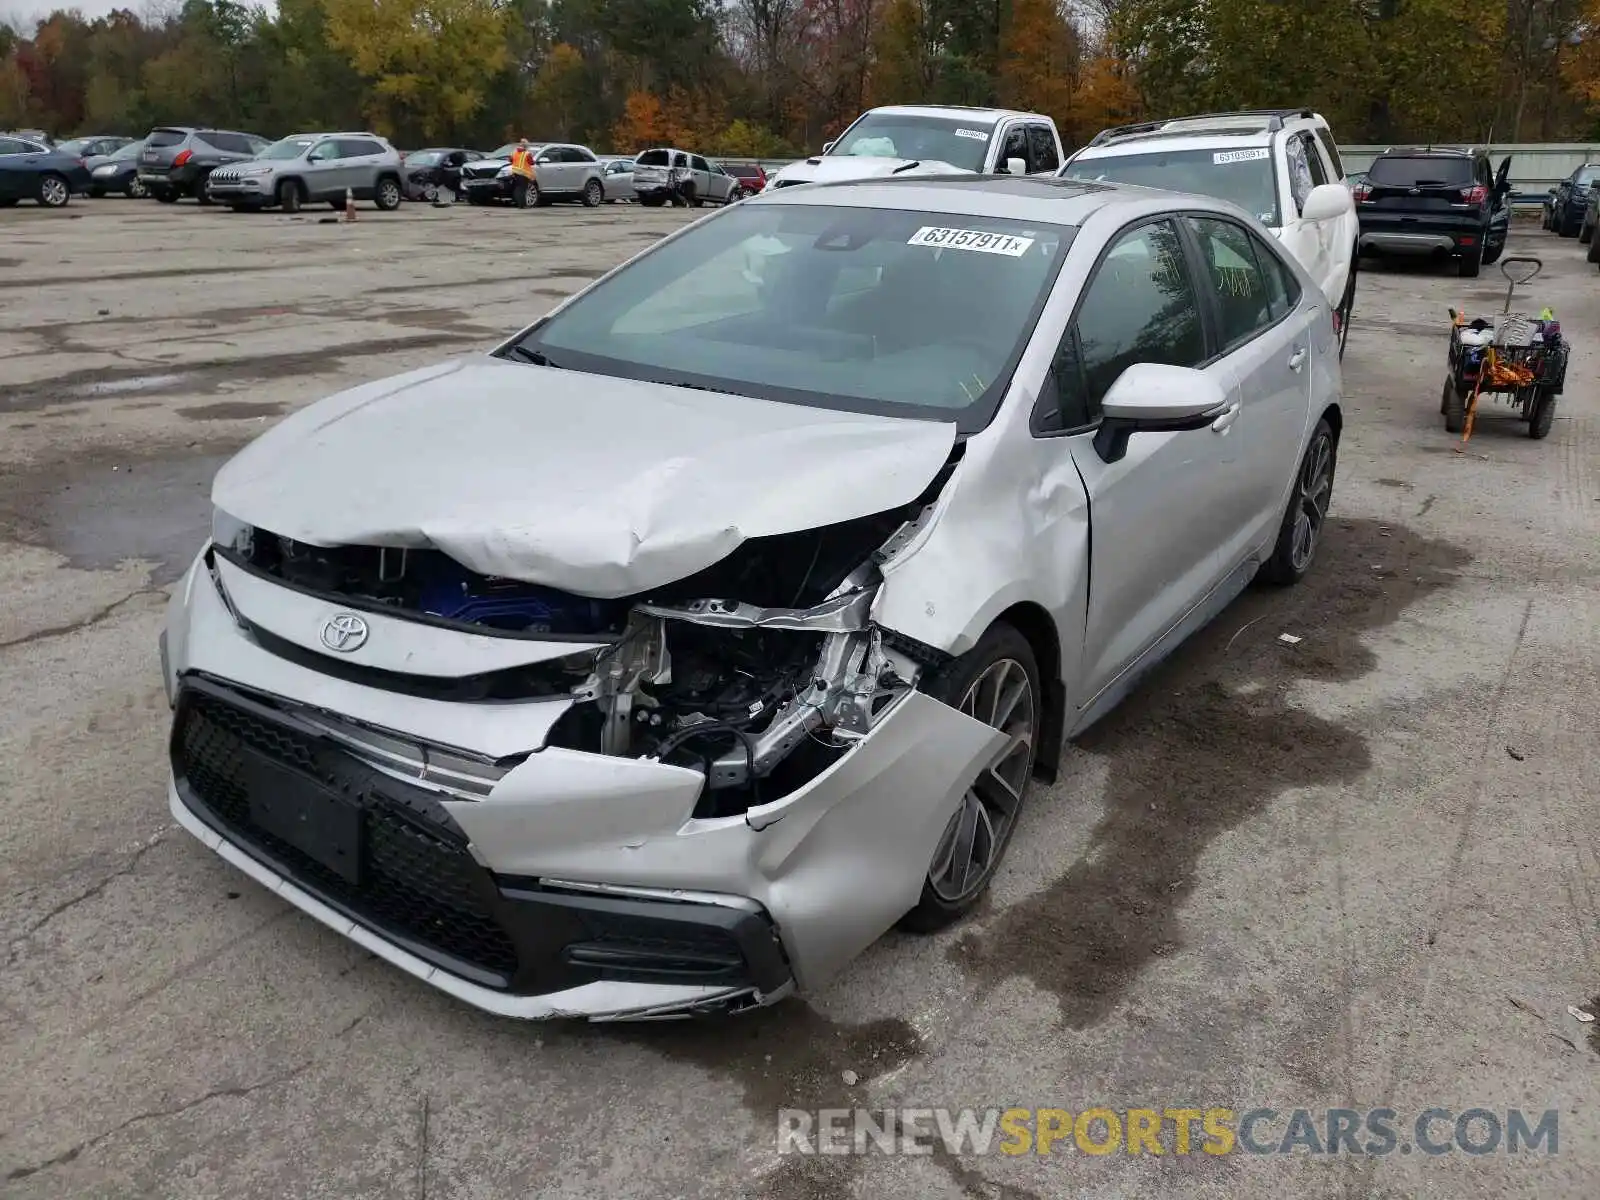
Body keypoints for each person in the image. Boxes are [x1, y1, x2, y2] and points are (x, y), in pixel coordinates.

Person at [510, 139, 536, 208]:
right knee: (523, 189)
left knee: (518, 189)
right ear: (526, 146)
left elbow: (510, 160)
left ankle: (519, 203)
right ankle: (522, 205)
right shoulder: (527, 154)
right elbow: (532, 163)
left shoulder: (514, 152)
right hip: (524, 174)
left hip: (515, 173)